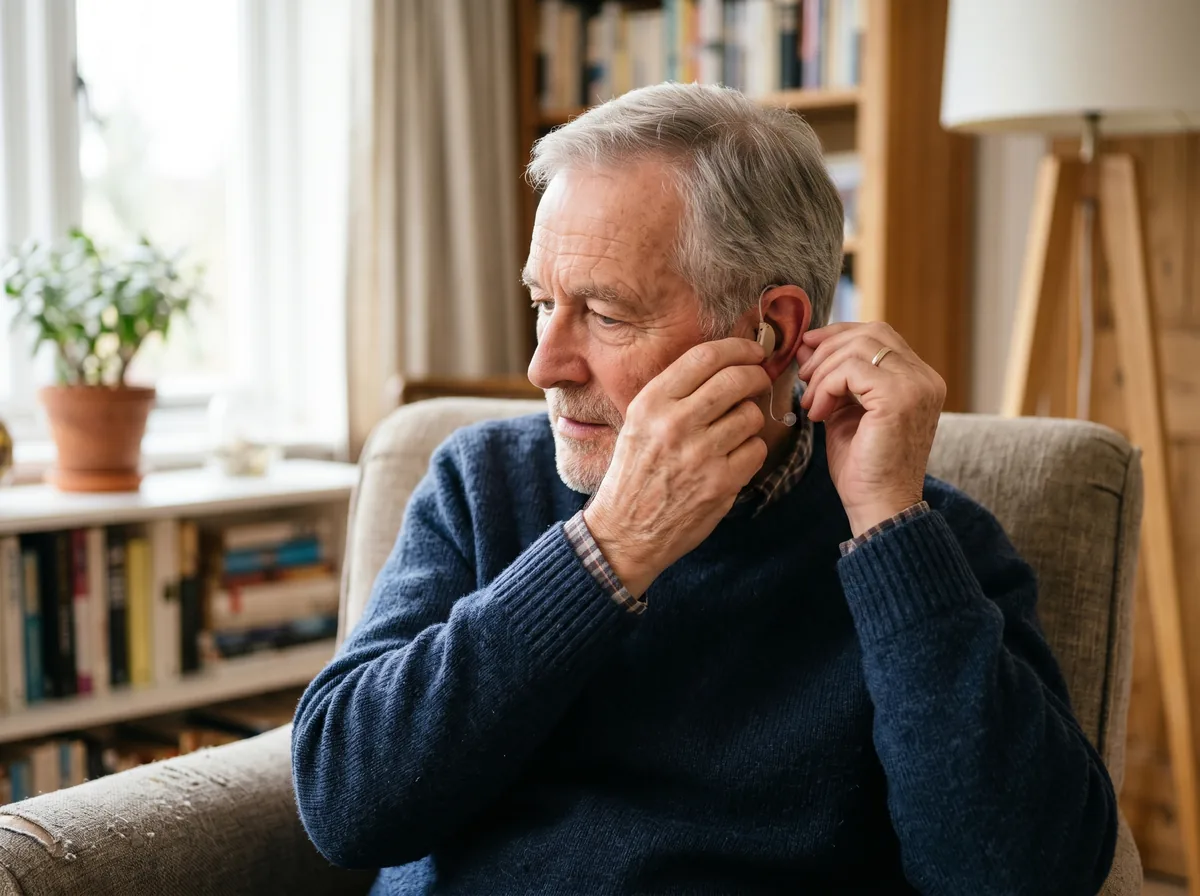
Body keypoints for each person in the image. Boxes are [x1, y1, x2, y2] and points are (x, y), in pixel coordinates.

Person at [291, 83, 1117, 895]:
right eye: (543, 303)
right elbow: (345, 806)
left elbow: (1018, 875)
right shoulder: (481, 484)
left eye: (606, 314)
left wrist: (888, 531)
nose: (544, 365)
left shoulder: (930, 545)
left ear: (771, 333)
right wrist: (607, 549)